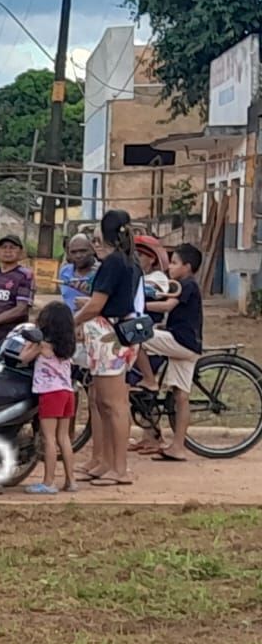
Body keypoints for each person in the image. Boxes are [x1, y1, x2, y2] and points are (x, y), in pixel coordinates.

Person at [73, 209, 142, 487]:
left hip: (109, 337)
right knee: (101, 402)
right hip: (111, 335)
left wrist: (72, 320)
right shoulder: (127, 261)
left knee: (113, 404)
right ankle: (104, 461)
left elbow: (97, 304)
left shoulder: (114, 263)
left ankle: (119, 467)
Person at [133, 243, 204, 461]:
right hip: (188, 344)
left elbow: (167, 307)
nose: (169, 268)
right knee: (181, 396)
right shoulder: (185, 284)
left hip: (181, 343)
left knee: (136, 337)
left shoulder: (187, 285)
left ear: (188, 267)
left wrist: (138, 305)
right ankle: (177, 447)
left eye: (174, 263)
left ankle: (149, 380)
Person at [18, 301, 79, 494]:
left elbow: (23, 357)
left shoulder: (43, 345)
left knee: (49, 439)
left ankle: (48, 482)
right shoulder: (67, 346)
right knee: (64, 438)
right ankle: (71, 480)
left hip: (50, 393)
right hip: (68, 393)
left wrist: (31, 343)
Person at [59, 233, 97, 313]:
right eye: (73, 252)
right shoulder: (64, 272)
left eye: (83, 251)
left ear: (93, 249)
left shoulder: (101, 272)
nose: (78, 255)